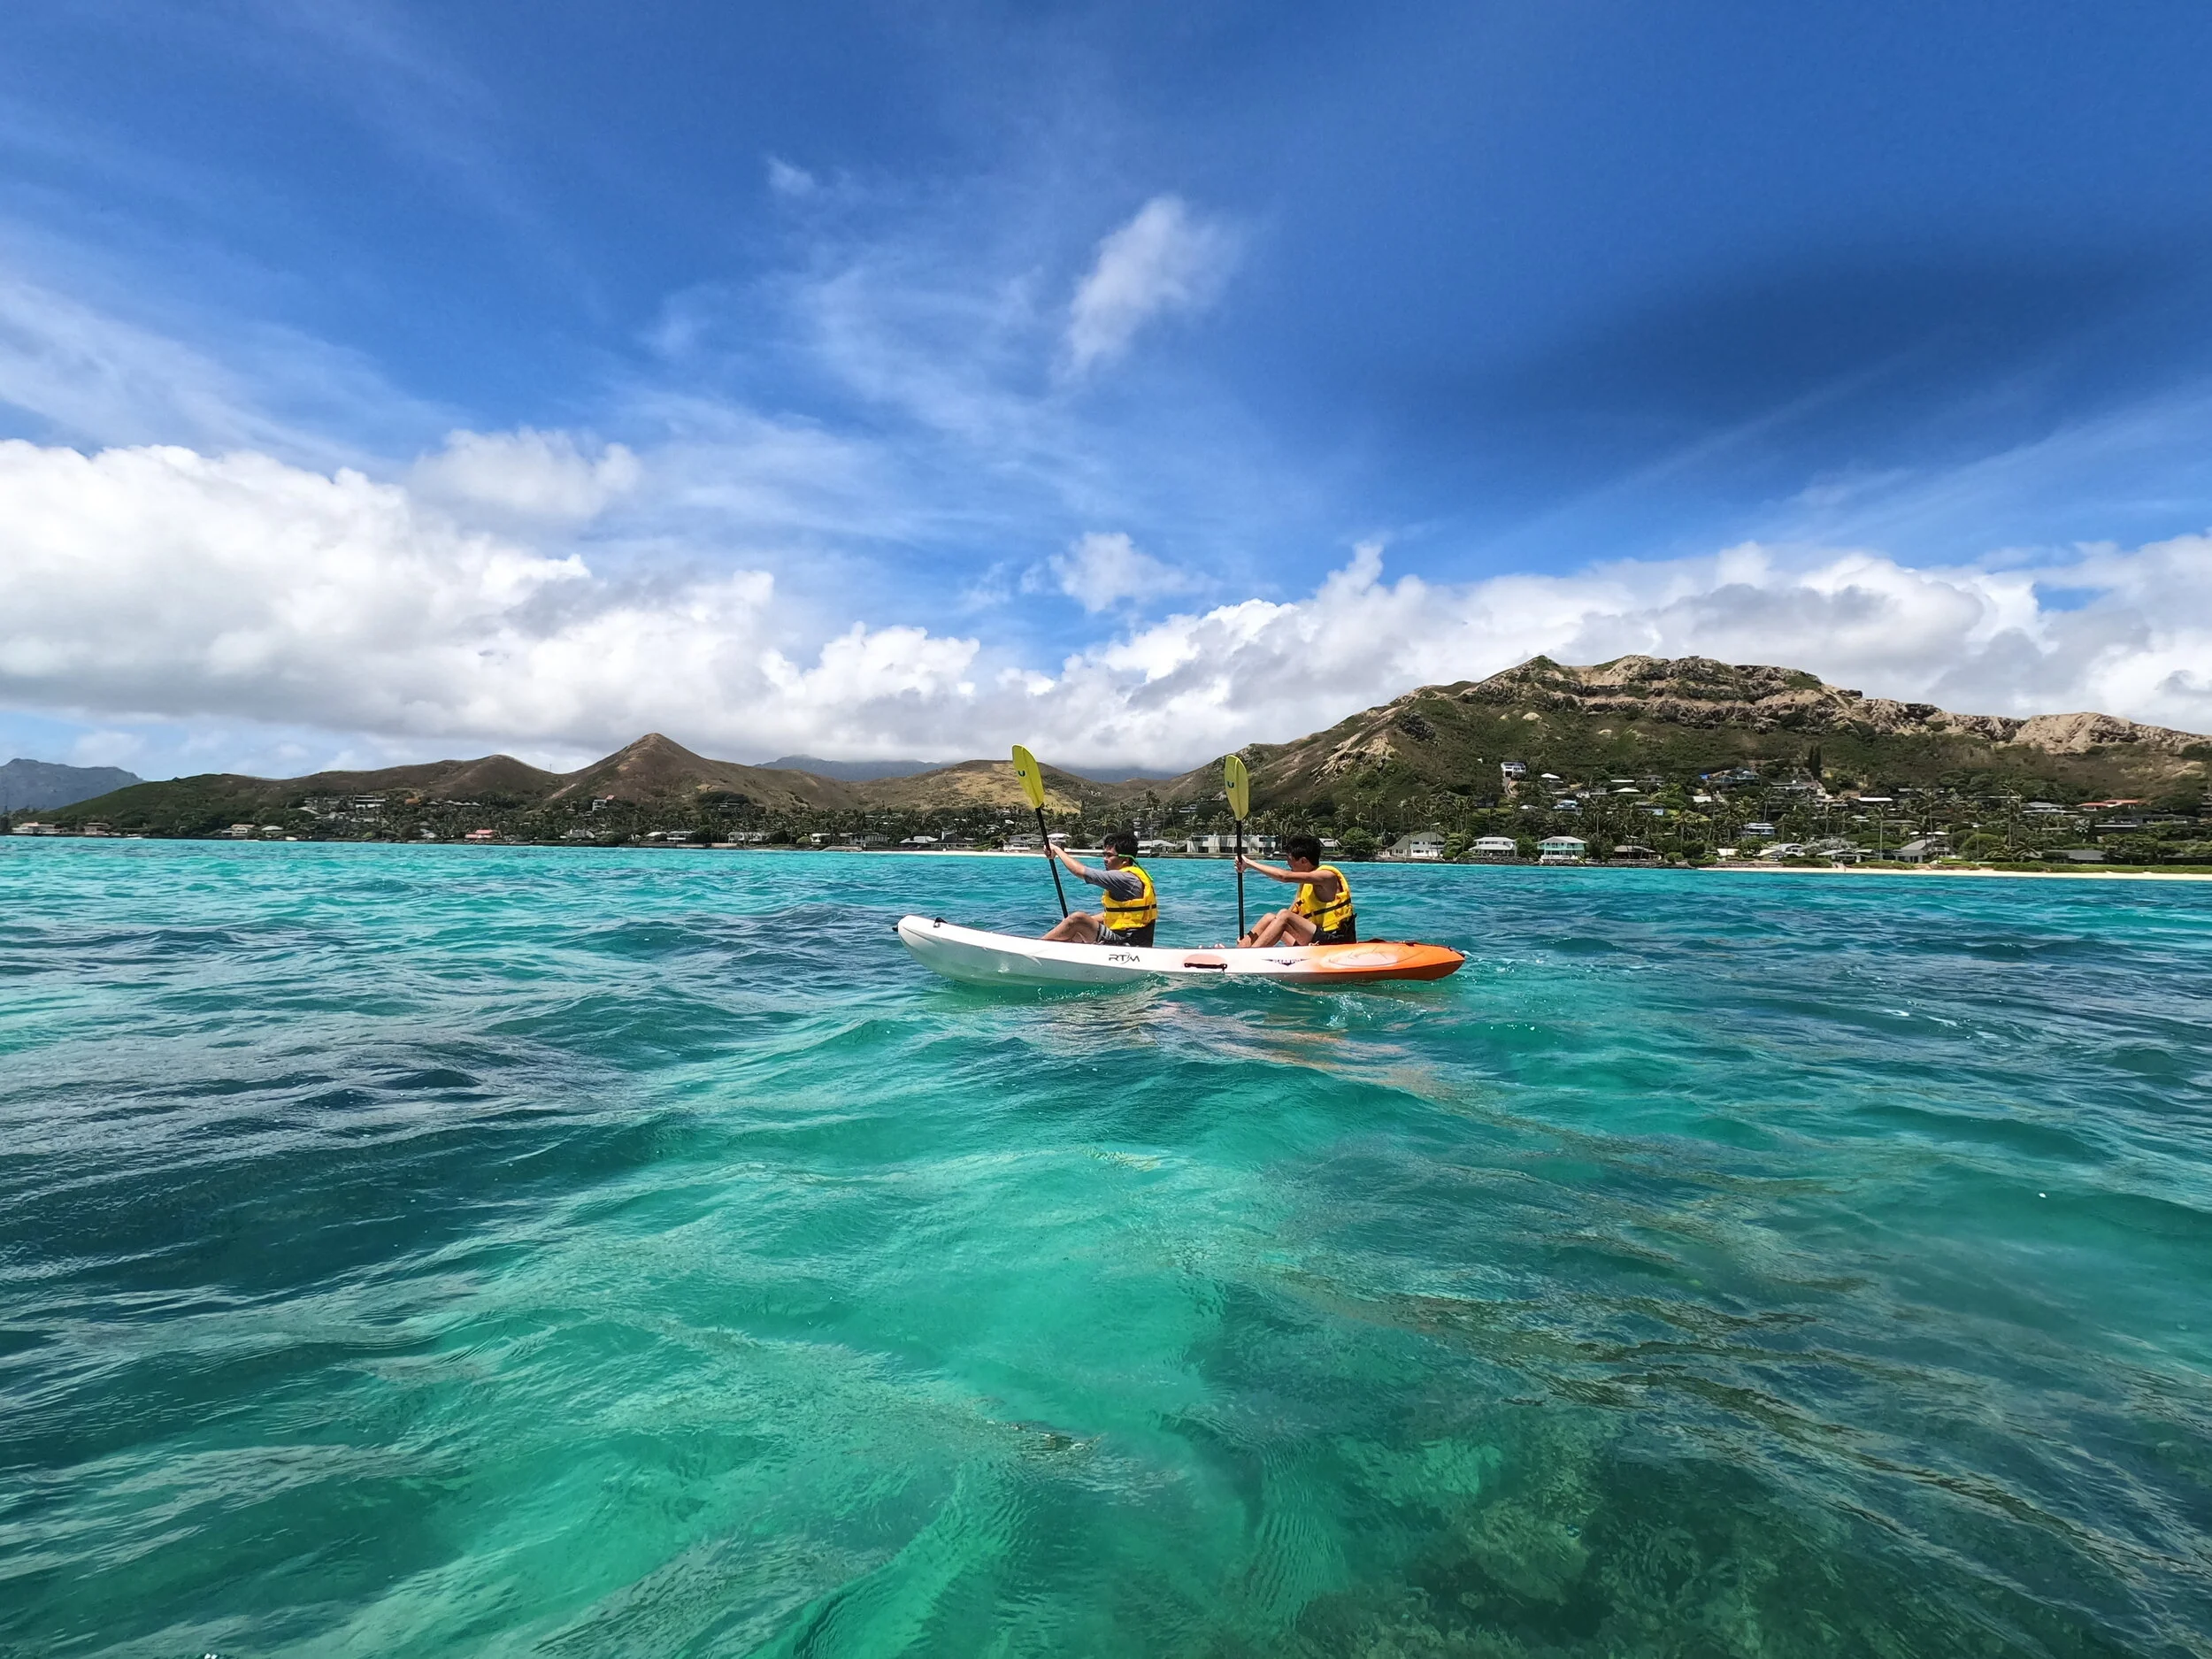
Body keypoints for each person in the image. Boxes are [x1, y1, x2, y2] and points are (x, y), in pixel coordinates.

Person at [1041, 829, 1157, 947]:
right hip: (1135, 941)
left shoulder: (1124, 878)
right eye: (1104, 855)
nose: (1105, 859)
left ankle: (1037, 948)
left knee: (1077, 918)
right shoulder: (1134, 876)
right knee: (1076, 927)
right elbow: (1111, 915)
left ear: (1125, 860)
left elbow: (1079, 871)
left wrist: (1056, 850)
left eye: (1109, 855)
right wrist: (1072, 924)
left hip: (1126, 943)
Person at [1234, 835, 1356, 947]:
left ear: (1303, 861)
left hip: (1334, 939)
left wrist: (1249, 864)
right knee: (1270, 918)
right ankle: (1239, 952)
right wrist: (1251, 938)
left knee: (1284, 915)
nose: (1287, 863)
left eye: (1290, 859)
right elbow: (1285, 917)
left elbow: (1284, 877)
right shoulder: (1306, 885)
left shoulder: (1326, 876)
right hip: (1315, 939)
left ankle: (1250, 956)